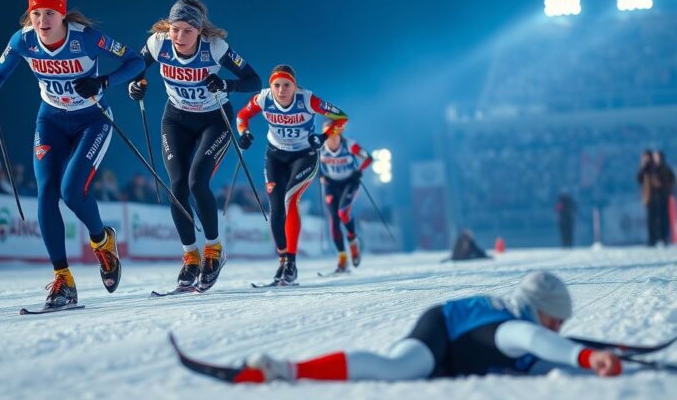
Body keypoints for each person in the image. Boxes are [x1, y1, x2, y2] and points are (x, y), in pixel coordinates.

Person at [0, 0, 144, 308]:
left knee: (72, 191)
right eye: (36, 13)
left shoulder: (86, 38)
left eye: (50, 13)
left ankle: (102, 240)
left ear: (63, 13)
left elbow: (135, 61)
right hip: (50, 121)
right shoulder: (23, 40)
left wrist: (103, 81)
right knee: (47, 192)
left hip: (92, 121)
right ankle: (63, 280)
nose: (43, 20)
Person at [189, 271, 622, 383]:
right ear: (540, 310)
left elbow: (540, 338)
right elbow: (533, 339)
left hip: (445, 318)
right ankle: (280, 369)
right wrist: (588, 356)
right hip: (444, 333)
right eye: (556, 320)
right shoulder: (514, 329)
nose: (559, 328)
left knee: (401, 365)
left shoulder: (515, 315)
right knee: (400, 367)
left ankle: (280, 369)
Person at [128, 0, 261, 292]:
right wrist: (135, 85)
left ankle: (213, 251)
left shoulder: (215, 48)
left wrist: (227, 84)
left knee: (197, 182)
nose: (180, 37)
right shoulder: (157, 43)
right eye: (175, 29)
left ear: (200, 31)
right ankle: (190, 257)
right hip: (176, 119)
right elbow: (134, 67)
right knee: (177, 189)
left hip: (215, 120)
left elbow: (254, 80)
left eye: (188, 31)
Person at [236, 65, 348, 285]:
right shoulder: (263, 98)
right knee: (276, 208)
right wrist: (244, 133)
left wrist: (324, 137)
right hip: (276, 156)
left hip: (303, 156)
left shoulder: (307, 99)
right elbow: (242, 115)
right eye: (276, 85)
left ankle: (292, 264)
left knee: (290, 199)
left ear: (295, 86)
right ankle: (283, 261)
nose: (281, 90)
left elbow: (341, 117)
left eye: (286, 85)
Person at [318, 121, 373, 272]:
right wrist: (320, 174)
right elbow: (311, 162)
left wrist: (359, 171)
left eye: (332, 132)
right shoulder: (320, 146)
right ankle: (342, 260)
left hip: (349, 182)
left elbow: (368, 158)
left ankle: (353, 240)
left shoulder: (349, 144)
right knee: (334, 222)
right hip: (331, 184)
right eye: (326, 133)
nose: (329, 136)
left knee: (343, 213)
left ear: (338, 132)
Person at [637, 149, 661, 246]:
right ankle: (652, 239)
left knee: (655, 219)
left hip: (655, 197)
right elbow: (639, 179)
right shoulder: (645, 167)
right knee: (651, 220)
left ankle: (655, 239)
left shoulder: (653, 166)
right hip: (649, 197)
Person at [652, 150, 675, 245]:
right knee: (658, 219)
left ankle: (664, 238)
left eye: (656, 157)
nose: (655, 159)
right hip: (656, 198)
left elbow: (672, 181)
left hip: (664, 197)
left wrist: (664, 188)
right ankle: (660, 238)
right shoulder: (654, 169)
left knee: (664, 218)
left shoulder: (665, 169)